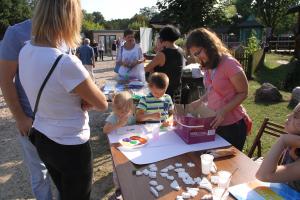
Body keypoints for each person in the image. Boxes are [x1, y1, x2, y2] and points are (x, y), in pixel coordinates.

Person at [18, 0, 108, 199]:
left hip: (42, 137)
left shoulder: (25, 51)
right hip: (70, 145)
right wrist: (86, 98)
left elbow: (51, 91)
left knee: (63, 190)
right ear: (70, 18)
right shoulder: (65, 62)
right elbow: (102, 103)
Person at [0, 19, 57, 199]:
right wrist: (20, 118)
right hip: (32, 120)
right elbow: (5, 80)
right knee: (39, 174)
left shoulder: (64, 28)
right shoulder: (16, 33)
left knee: (64, 172)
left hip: (61, 120)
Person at [186, 28, 250, 151]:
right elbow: (212, 89)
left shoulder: (229, 63)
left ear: (209, 45)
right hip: (215, 122)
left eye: (198, 53)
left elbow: (243, 92)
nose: (197, 58)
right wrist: (200, 101)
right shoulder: (209, 63)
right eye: (194, 55)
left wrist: (223, 111)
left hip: (232, 125)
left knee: (228, 166)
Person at [256, 103, 300, 192]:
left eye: (295, 116)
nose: (289, 116)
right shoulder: (293, 145)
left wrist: (283, 140)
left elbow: (263, 175)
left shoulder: (288, 141)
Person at [103, 91, 135, 200]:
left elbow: (135, 127)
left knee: (128, 166)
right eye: (120, 111)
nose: (123, 114)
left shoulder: (130, 116)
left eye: (126, 111)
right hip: (116, 148)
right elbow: (105, 130)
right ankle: (118, 190)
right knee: (117, 170)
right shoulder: (113, 117)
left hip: (129, 146)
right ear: (115, 108)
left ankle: (129, 185)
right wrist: (118, 124)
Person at [145, 25, 185, 98]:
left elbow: (147, 68)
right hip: (176, 90)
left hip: (162, 90)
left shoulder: (163, 54)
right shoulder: (181, 50)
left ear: (163, 38)